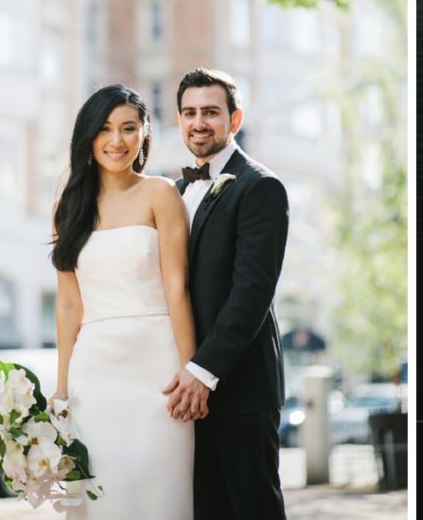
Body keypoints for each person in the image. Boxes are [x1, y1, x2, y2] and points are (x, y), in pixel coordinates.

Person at [51, 84, 197, 519]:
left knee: (162, 494)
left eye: (128, 128)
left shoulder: (161, 193)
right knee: (100, 496)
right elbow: (68, 305)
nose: (116, 141)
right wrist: (62, 387)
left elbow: (178, 289)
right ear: (88, 136)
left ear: (144, 134)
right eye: (105, 129)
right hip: (93, 376)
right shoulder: (67, 207)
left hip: (158, 371)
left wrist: (191, 373)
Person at [163, 67, 289, 520]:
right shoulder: (174, 192)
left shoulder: (261, 186)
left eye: (211, 112)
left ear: (234, 121)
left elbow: (251, 292)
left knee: (252, 509)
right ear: (179, 121)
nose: (199, 122)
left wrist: (204, 371)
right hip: (185, 392)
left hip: (241, 387)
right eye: (190, 112)